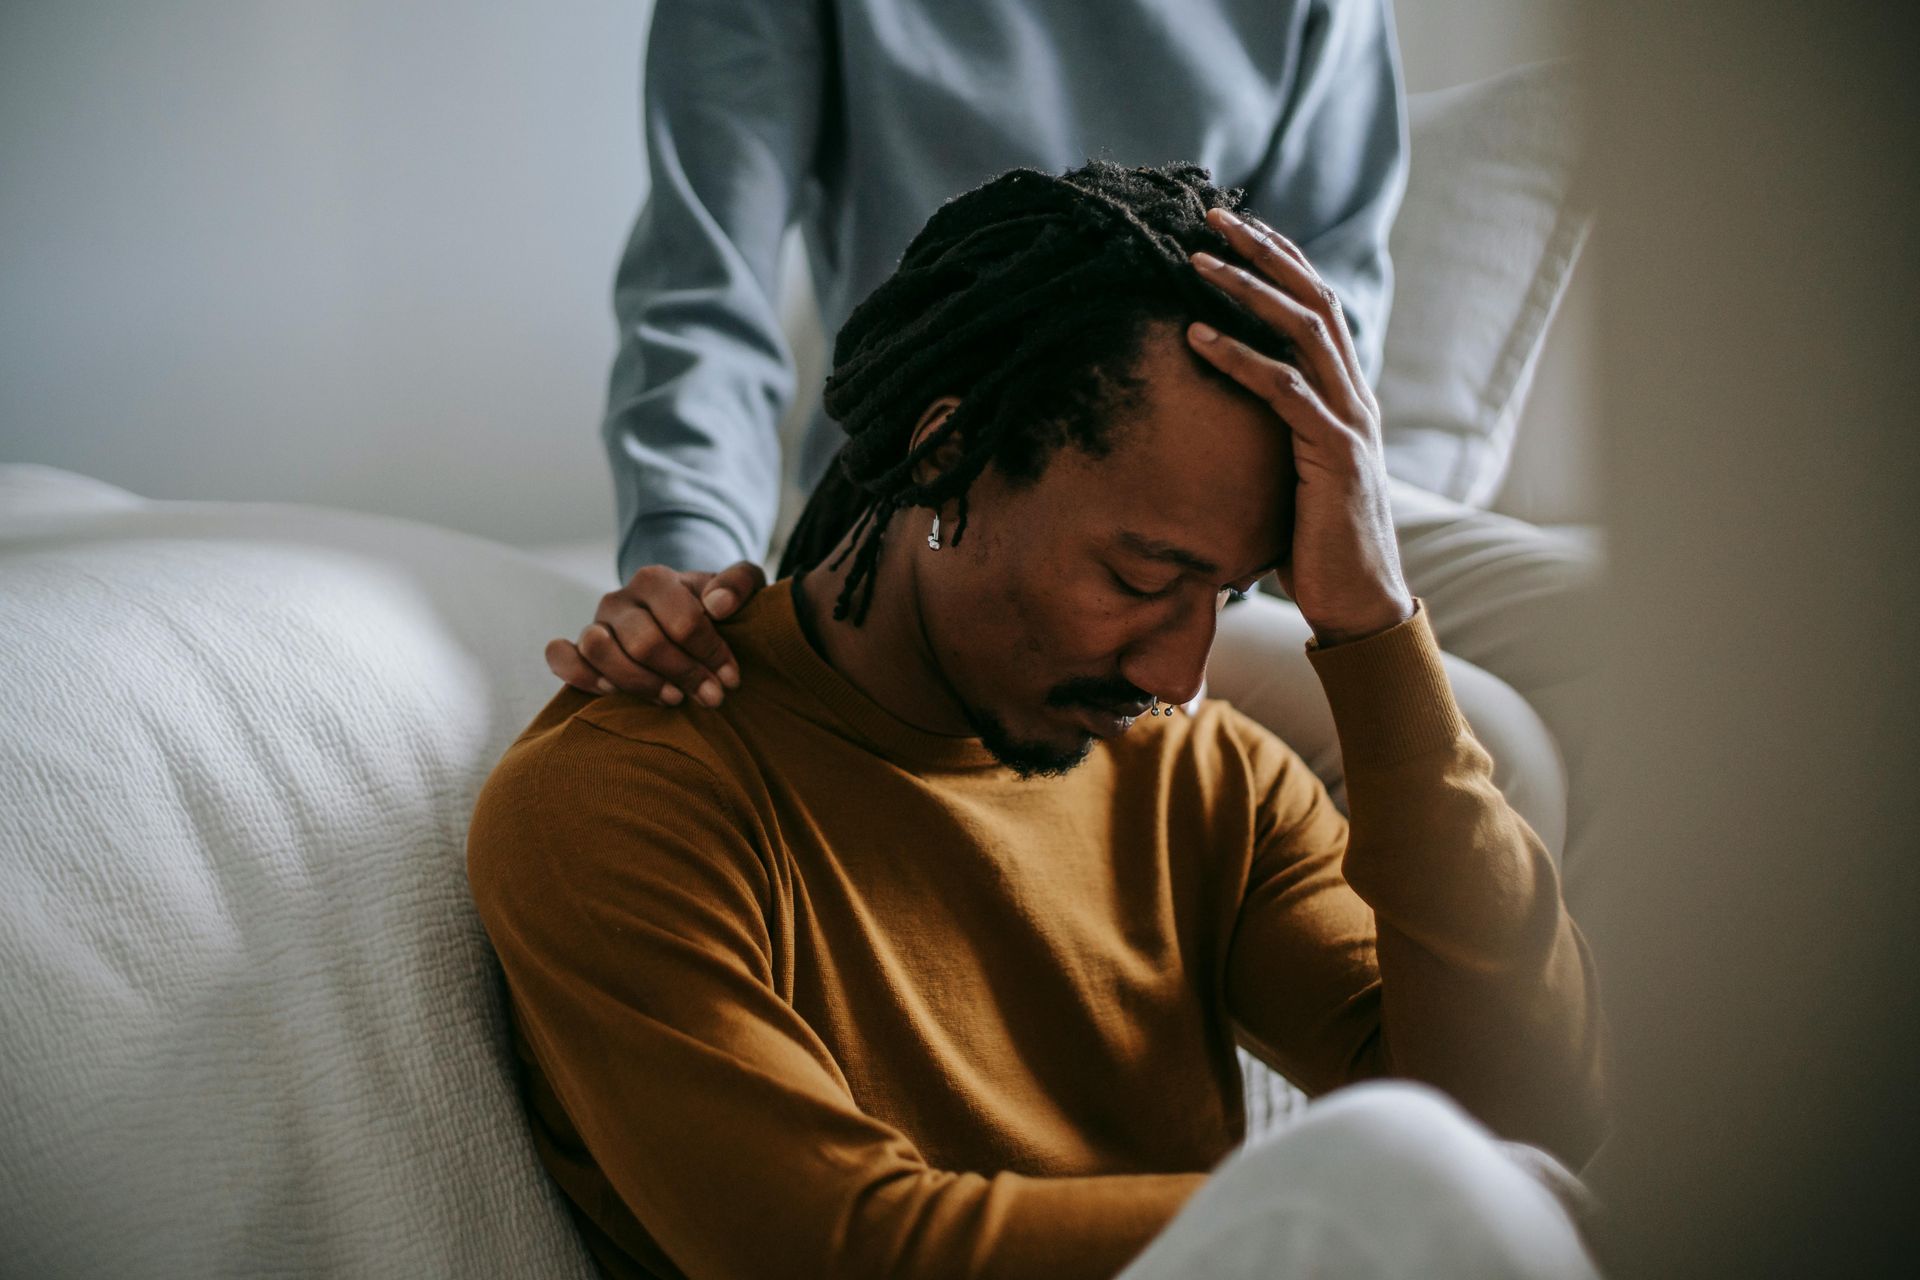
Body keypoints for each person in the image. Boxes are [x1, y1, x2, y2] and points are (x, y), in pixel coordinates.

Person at [469, 161, 1607, 1280]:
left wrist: (1371, 620)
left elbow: (1526, 1116)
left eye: (1231, 594)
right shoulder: (627, 798)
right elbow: (835, 1251)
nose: (1181, 666)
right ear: (945, 449)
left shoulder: (1211, 779)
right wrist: (1360, 1212)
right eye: (1139, 573)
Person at [548, 0, 1606, 897]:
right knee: (1499, 746)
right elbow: (703, 283)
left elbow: (1331, 283)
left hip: (1248, 489)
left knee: (1622, 646)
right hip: (985, 486)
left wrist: (1277, 558)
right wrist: (692, 553)